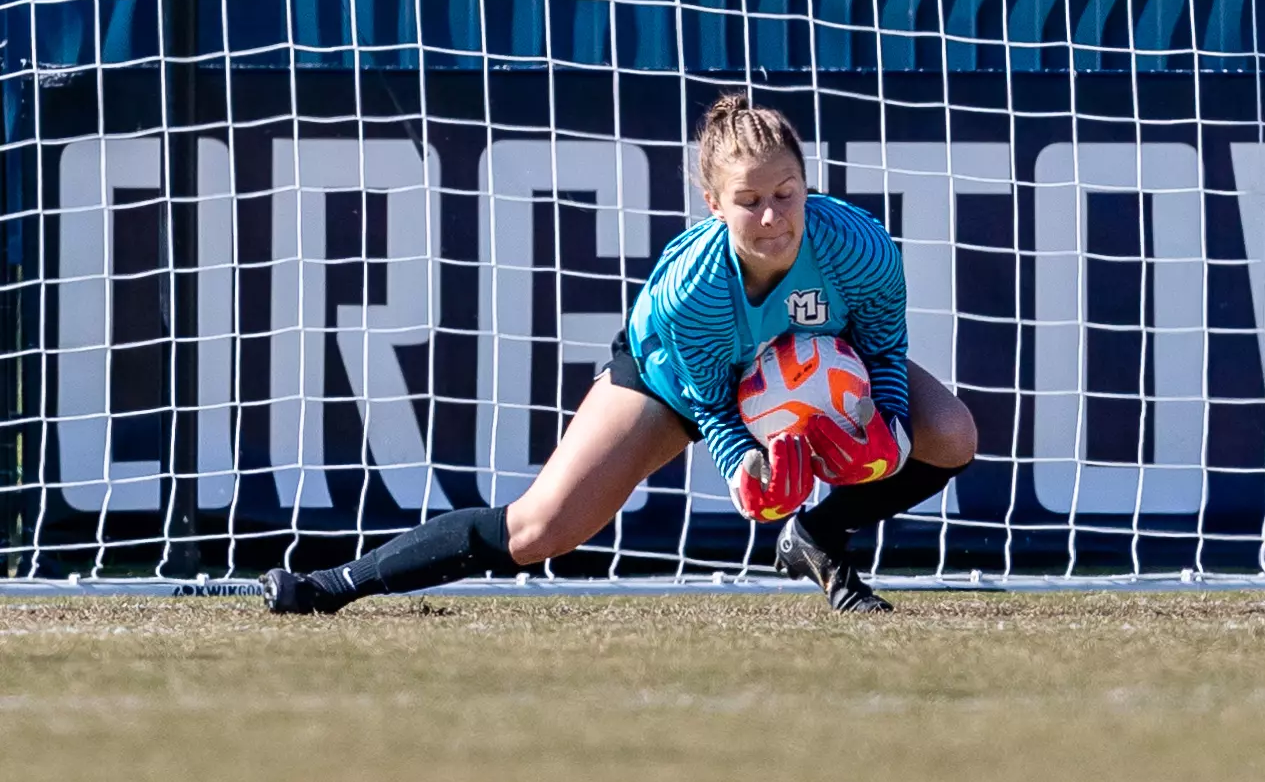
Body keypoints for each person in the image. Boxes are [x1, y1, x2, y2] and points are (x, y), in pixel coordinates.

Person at [260, 94, 978, 615]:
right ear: (713, 203)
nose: (772, 216)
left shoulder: (857, 246)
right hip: (676, 380)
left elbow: (883, 348)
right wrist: (748, 471)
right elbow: (711, 405)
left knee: (949, 434)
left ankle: (817, 535)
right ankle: (331, 586)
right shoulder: (692, 289)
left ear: (806, 184)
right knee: (540, 529)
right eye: (748, 199)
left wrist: (887, 432)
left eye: (786, 193)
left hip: (812, 367)